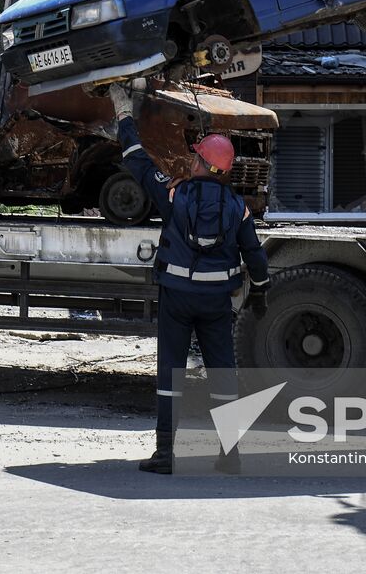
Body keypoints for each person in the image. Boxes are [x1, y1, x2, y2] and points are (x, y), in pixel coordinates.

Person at [108, 83, 270, 475]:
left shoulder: (174, 195)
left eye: (195, 157)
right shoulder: (238, 208)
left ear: (201, 164)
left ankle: (165, 454)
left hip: (177, 298)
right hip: (216, 303)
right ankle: (229, 455)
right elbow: (255, 256)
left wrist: (125, 115)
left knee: (171, 373)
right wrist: (261, 291)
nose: (191, 160)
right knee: (222, 374)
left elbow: (137, 162)